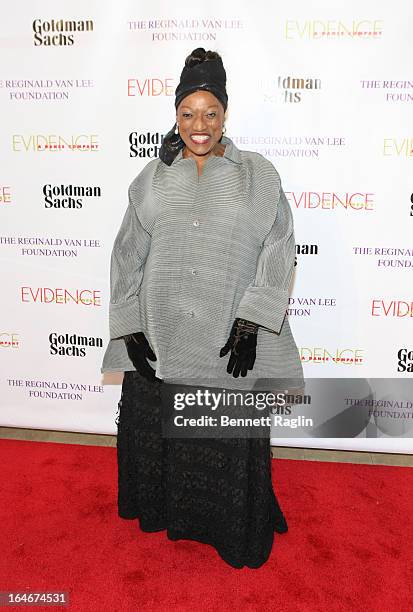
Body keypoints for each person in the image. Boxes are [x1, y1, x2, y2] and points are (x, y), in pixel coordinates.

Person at [101, 47, 303, 569]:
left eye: (210, 112)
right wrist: (129, 326)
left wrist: (254, 320)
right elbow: (127, 251)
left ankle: (227, 526)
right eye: (188, 112)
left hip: (224, 339)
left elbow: (279, 246)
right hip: (163, 333)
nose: (199, 125)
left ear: (225, 113)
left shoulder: (257, 175)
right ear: (174, 114)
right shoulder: (153, 177)